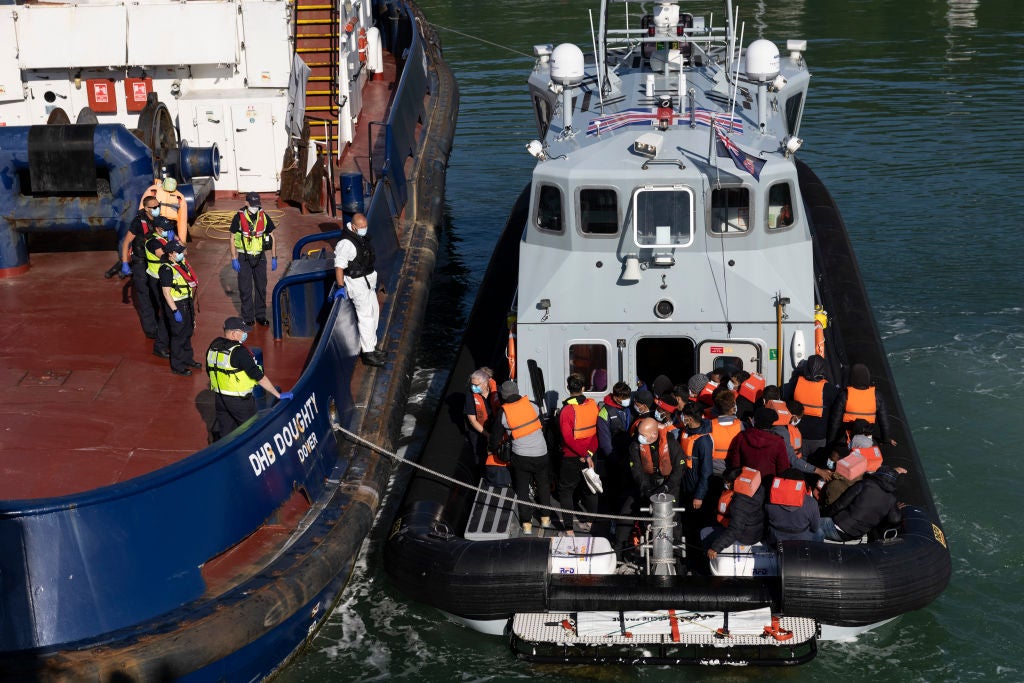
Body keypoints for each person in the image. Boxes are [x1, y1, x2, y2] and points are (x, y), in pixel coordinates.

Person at [206, 317, 293, 441]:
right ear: (234, 333)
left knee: (225, 435)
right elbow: (259, 377)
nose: (245, 334)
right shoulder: (239, 352)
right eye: (243, 332)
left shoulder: (214, 345)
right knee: (251, 432)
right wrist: (277, 395)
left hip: (220, 398)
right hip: (240, 402)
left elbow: (210, 372)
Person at [490, 380, 552, 534]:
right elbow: (542, 427)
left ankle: (526, 524)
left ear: (503, 396)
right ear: (517, 391)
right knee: (543, 485)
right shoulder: (533, 405)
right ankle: (545, 518)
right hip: (541, 453)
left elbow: (495, 438)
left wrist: (491, 450)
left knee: (522, 489)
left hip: (521, 457)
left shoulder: (503, 413)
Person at [617, 417, 686, 556]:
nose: (639, 437)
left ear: (654, 435)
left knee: (674, 519)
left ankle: (678, 557)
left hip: (668, 484)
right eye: (639, 434)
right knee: (637, 516)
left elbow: (680, 468)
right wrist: (647, 490)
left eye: (643, 435)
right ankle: (638, 550)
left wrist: (667, 487)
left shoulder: (671, 443)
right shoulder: (635, 445)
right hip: (647, 484)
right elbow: (637, 470)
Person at [120, 197, 174, 346]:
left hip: (155, 263)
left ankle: (161, 323)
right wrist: (125, 263)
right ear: (146, 209)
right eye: (154, 206)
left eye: (159, 205)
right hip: (141, 262)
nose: (158, 208)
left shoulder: (162, 220)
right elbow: (126, 242)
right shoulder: (138, 223)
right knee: (144, 295)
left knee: (157, 293)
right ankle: (151, 329)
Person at [332, 213, 384, 367]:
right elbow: (339, 266)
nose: (364, 230)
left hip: (368, 282)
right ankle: (368, 353)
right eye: (361, 228)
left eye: (365, 227)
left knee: (374, 312)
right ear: (354, 227)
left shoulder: (360, 237)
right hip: (356, 283)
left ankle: (372, 346)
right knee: (365, 317)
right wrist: (341, 287)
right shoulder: (346, 244)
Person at [557, 373, 600, 533]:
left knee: (566, 490)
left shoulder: (567, 411)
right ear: (583, 388)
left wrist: (583, 453)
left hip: (572, 457)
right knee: (590, 488)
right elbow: (597, 433)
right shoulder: (593, 405)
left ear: (568, 388)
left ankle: (569, 529)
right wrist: (589, 453)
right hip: (590, 453)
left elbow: (567, 438)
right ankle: (591, 522)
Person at [820, 465, 907, 542]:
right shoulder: (892, 499)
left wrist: (820, 514)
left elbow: (839, 505)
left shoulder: (864, 485)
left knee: (809, 520)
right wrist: (896, 509)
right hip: (855, 535)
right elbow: (895, 519)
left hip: (839, 527)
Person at [229, 191, 278, 327]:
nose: (255, 208)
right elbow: (232, 238)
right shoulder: (238, 218)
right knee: (245, 288)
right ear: (246, 203)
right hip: (244, 257)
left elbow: (272, 237)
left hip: (260, 257)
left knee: (261, 287)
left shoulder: (264, 217)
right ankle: (248, 317)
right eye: (252, 205)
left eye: (257, 205)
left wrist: (274, 257)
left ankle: (260, 315)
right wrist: (234, 258)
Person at [784, 354, 839, 463]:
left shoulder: (794, 384)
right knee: (817, 467)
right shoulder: (830, 390)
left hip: (798, 436)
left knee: (799, 464)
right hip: (819, 438)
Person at [157, 241, 200, 376]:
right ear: (171, 254)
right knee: (178, 336)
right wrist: (175, 311)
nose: (182, 254)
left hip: (186, 302)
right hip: (177, 305)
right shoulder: (166, 269)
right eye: (179, 252)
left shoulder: (180, 264)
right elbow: (166, 292)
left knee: (187, 333)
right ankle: (177, 365)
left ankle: (187, 359)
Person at [827, 363, 897, 447]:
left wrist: (830, 442)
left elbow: (835, 423)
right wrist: (885, 439)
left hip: (847, 437)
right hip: (867, 437)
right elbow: (884, 423)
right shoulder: (876, 396)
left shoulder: (844, 395)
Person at [705, 467, 766, 560]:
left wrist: (715, 548)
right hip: (756, 531)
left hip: (745, 537)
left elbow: (735, 529)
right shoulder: (758, 488)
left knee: (704, 534)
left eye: (726, 482)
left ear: (733, 482)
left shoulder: (739, 502)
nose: (725, 484)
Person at [465, 368, 509, 487]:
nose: (473, 387)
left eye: (476, 385)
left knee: (504, 450)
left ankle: (503, 475)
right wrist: (487, 434)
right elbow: (472, 420)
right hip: (480, 430)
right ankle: (483, 475)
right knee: (478, 453)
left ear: (485, 383)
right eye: (472, 384)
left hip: (498, 428)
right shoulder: (470, 395)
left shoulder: (498, 391)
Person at [725, 407, 790, 479]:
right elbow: (783, 468)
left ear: (755, 420)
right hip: (768, 483)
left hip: (745, 481)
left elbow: (735, 463)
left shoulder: (742, 436)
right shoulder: (778, 442)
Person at [765, 469, 821, 543]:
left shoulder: (769, 500)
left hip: (775, 542)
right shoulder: (811, 503)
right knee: (820, 532)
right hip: (802, 544)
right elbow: (815, 528)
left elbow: (765, 521)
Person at [139, 177, 188, 242]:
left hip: (168, 225)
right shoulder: (153, 190)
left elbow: (182, 221)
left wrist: (182, 241)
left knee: (171, 245)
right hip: (153, 224)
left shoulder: (179, 197)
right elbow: (142, 210)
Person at [708, 390, 744, 474]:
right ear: (733, 407)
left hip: (714, 469)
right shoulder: (742, 426)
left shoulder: (708, 426)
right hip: (735, 470)